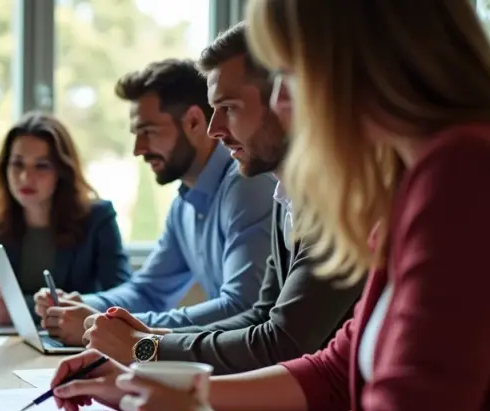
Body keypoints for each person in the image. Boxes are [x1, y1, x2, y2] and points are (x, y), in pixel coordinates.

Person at [51, 0, 490, 411]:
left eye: (286, 74)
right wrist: (147, 386)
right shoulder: (414, 182)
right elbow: (335, 369)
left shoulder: (463, 172)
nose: (282, 100)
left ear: (352, 65)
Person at [81, 23, 363, 373]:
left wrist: (145, 348)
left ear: (287, 99)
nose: (215, 129)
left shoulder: (339, 197)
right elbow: (261, 315)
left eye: (228, 107)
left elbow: (282, 342)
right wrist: (154, 337)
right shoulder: (284, 194)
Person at [34, 59, 276, 346]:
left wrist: (109, 325)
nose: (138, 150)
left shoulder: (246, 185)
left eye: (147, 131)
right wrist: (81, 305)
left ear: (194, 122)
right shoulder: (184, 205)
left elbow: (242, 307)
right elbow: (148, 291)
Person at [0, 111, 130, 323]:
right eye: (17, 164)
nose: (26, 177)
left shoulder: (97, 218)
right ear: (4, 168)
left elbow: (125, 298)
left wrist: (19, 309)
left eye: (41, 166)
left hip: (74, 345)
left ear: (61, 171)